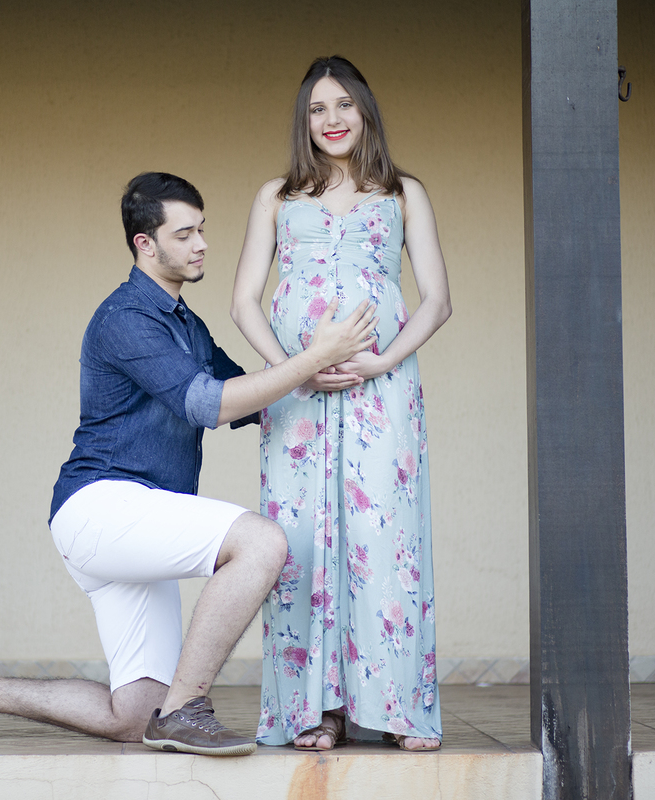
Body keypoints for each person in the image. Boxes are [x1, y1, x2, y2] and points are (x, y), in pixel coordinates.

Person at [0, 171, 379, 756]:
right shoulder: (124, 318)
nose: (202, 244)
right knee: (261, 543)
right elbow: (208, 404)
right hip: (101, 507)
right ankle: (186, 708)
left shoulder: (186, 325)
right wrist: (313, 357)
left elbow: (255, 398)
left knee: (133, 716)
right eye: (184, 234)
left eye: (202, 229)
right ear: (144, 244)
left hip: (136, 524)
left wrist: (331, 381)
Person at [231, 56, 452, 751]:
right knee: (301, 544)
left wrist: (383, 360)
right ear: (304, 120)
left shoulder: (403, 193)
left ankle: (397, 711)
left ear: (365, 111)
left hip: (383, 393)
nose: (331, 120)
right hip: (297, 401)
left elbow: (437, 300)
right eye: (317, 109)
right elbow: (243, 301)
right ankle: (315, 712)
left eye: (344, 105)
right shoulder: (276, 196)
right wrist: (291, 371)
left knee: (386, 541)